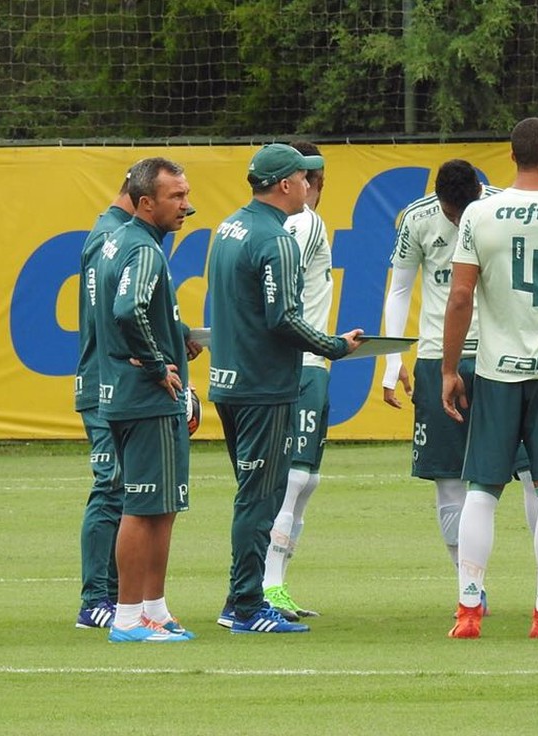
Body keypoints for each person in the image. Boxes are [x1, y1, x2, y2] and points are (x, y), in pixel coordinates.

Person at [382, 160, 538, 617]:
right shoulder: (417, 218)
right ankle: (469, 588)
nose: (456, 220)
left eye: (461, 210)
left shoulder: (499, 209)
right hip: (437, 356)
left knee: (535, 474)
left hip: (501, 356)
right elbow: (400, 288)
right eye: (451, 213)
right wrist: (392, 363)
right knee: (451, 480)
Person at [442, 117, 538, 639]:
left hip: (496, 368)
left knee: (482, 490)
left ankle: (468, 612)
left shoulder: (478, 213)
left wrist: (446, 369)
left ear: (511, 155)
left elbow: (461, 296)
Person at [209, 143, 363, 635]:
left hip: (229, 378)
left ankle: (245, 598)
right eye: (302, 178)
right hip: (264, 384)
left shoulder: (229, 226)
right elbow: (282, 319)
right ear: (285, 185)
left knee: (254, 493)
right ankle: (246, 606)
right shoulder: (274, 238)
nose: (309, 186)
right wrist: (334, 345)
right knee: (261, 496)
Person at [93, 157, 196, 643]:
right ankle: (129, 617)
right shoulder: (143, 249)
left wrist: (174, 335)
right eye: (176, 197)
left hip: (123, 391)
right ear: (145, 201)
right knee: (141, 506)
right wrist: (157, 364)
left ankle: (152, 608)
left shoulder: (115, 241)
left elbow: (128, 311)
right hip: (145, 398)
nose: (187, 206)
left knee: (159, 506)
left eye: (185, 194)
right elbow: (127, 309)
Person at [261, 141, 333, 621]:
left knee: (305, 479)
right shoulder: (303, 222)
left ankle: (277, 584)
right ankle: (269, 586)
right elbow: (278, 281)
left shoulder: (299, 221)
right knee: (295, 477)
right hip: (301, 361)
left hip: (312, 362)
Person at [73, 169, 135, 629]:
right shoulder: (110, 237)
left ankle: (114, 594)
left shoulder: (113, 233)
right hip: (103, 383)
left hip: (114, 381)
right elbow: (109, 313)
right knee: (110, 486)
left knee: (124, 488)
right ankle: (95, 598)